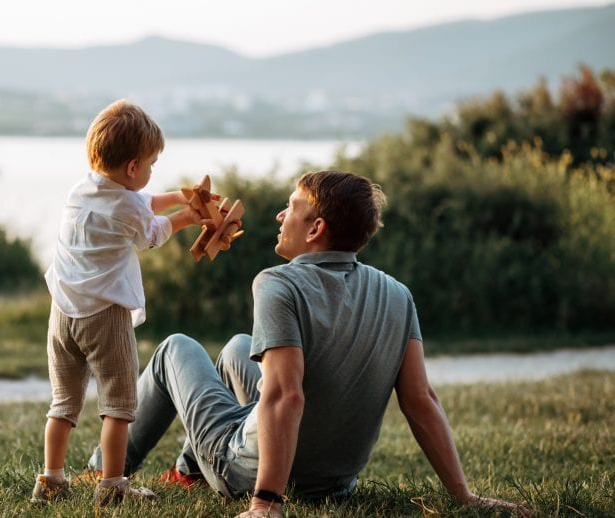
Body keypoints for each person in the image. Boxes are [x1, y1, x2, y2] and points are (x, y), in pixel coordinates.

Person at [85, 170, 528, 517]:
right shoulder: (397, 292)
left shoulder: (278, 284)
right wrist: (464, 498)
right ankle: (188, 472)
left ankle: (99, 473)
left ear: (315, 228)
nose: (280, 216)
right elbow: (420, 399)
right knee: (239, 347)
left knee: (175, 349)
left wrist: (266, 501)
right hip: (334, 484)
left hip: (249, 472)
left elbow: (286, 394)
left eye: (291, 208)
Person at [30, 99, 205, 507]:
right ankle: (112, 486)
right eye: (150, 165)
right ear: (132, 168)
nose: (150, 172)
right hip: (103, 316)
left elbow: (139, 204)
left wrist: (178, 196)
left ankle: (51, 481)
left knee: (63, 403)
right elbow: (151, 232)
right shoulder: (126, 204)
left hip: (63, 315)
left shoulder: (82, 189)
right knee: (118, 406)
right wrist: (187, 217)